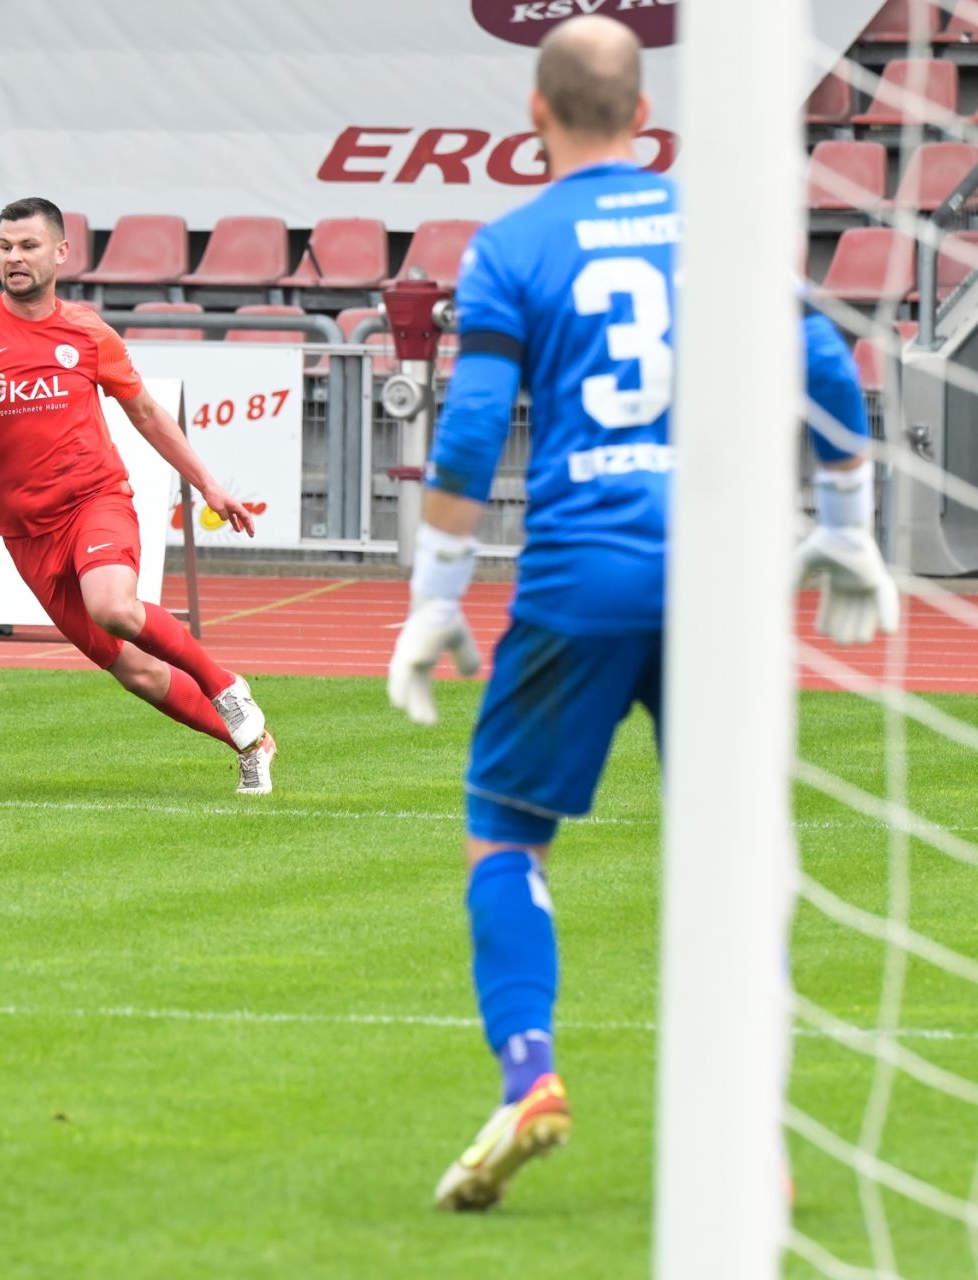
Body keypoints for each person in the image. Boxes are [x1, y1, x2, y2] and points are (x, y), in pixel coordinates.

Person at [385, 15, 899, 1212]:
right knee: (734, 859)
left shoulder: (512, 242)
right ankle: (756, 1136)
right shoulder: (717, 220)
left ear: (536, 111)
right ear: (645, 119)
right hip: (718, 575)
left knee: (502, 831)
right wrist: (849, 525)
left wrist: (434, 599)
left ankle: (531, 1073)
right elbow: (824, 366)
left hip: (579, 573)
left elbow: (468, 431)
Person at [0, 197, 276, 795]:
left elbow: (148, 415)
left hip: (94, 500)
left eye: (28, 246)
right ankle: (252, 744)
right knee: (135, 672)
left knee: (113, 605)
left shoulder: (86, 331)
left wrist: (208, 483)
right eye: (5, 246)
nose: (14, 258)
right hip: (27, 533)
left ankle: (225, 686)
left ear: (60, 252)